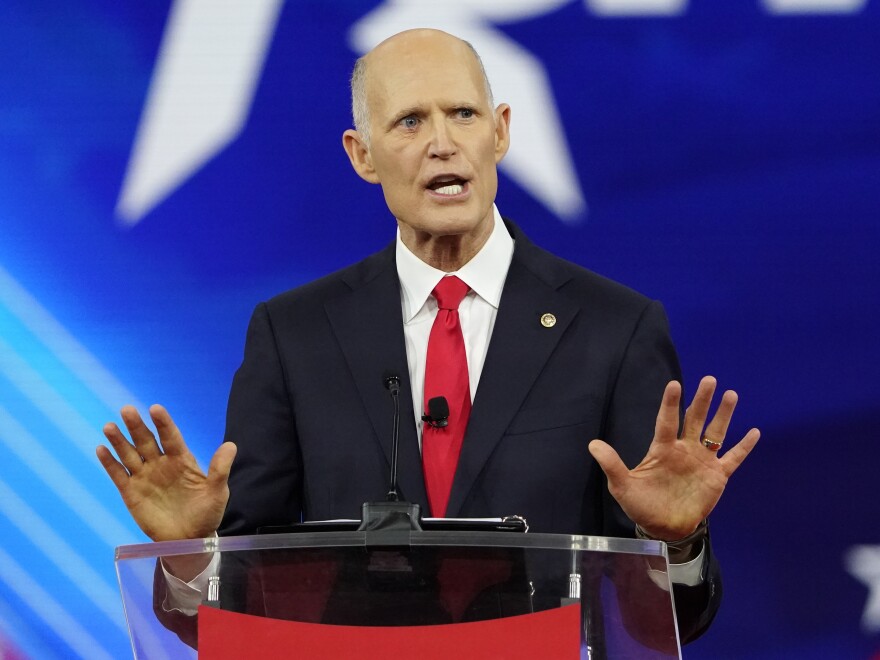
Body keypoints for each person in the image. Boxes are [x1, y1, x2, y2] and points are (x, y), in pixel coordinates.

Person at [97, 28, 759, 642]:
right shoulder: (294, 335)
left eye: (463, 114)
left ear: (499, 133)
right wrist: (190, 555)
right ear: (362, 155)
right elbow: (239, 614)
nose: (442, 141)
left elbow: (666, 625)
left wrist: (672, 542)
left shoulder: (614, 328)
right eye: (410, 121)